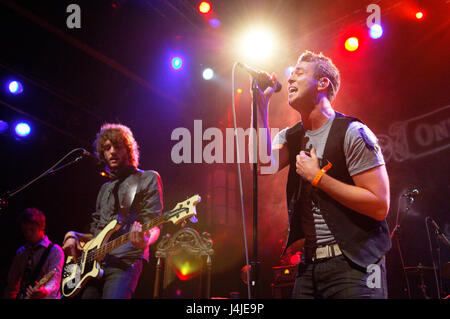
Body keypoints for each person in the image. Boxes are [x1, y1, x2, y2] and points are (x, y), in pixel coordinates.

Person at [253, 51, 391, 298]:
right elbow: (262, 166)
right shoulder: (289, 136)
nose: (291, 80)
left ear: (322, 83)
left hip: (356, 264)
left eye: (299, 73)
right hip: (309, 266)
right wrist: (260, 107)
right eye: (290, 75)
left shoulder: (353, 132)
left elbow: (379, 205)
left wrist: (318, 178)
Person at [62, 123, 163, 299]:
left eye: (117, 146)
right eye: (107, 148)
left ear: (128, 149)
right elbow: (95, 234)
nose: (112, 152)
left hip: (124, 261)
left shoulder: (148, 177)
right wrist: (73, 235)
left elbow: (154, 223)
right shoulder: (105, 188)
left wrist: (145, 241)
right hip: (93, 265)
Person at [4, 208, 64, 299]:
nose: (28, 234)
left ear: (42, 227)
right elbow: (12, 284)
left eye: (32, 229)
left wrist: (44, 291)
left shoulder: (55, 251)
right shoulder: (21, 252)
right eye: (24, 230)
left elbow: (54, 281)